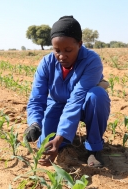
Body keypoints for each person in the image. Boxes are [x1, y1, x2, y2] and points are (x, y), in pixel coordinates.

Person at [24, 15, 110, 168]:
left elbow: (76, 99)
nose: (62, 56)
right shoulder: (46, 63)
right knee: (45, 143)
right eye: (57, 50)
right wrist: (35, 123)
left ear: (80, 44)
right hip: (57, 105)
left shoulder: (92, 61)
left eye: (68, 50)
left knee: (97, 96)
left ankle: (94, 149)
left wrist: (59, 137)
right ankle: (64, 142)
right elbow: (37, 98)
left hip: (84, 105)